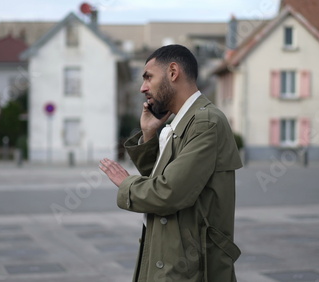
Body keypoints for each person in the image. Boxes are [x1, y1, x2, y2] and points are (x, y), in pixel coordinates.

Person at [99, 44, 243, 282]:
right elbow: (165, 179)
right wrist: (148, 134)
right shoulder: (184, 122)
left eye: (148, 77)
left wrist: (127, 184)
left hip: (192, 269)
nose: (143, 87)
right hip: (173, 261)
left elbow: (170, 192)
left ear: (173, 72)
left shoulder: (205, 122)